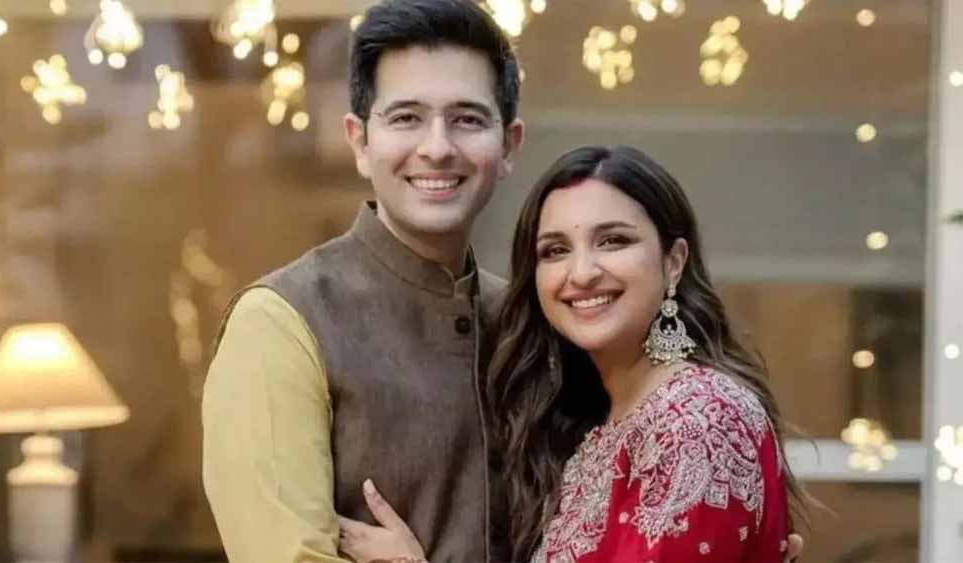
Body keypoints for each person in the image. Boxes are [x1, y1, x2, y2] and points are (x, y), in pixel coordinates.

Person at [337, 146, 805, 563]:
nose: (581, 273)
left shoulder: (698, 417)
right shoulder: (599, 427)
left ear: (673, 262)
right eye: (555, 250)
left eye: (613, 241)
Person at [201, 1, 524, 562]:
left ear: (510, 145)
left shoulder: (524, 322)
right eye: (406, 118)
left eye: (468, 119)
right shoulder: (281, 321)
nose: (437, 147)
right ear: (359, 142)